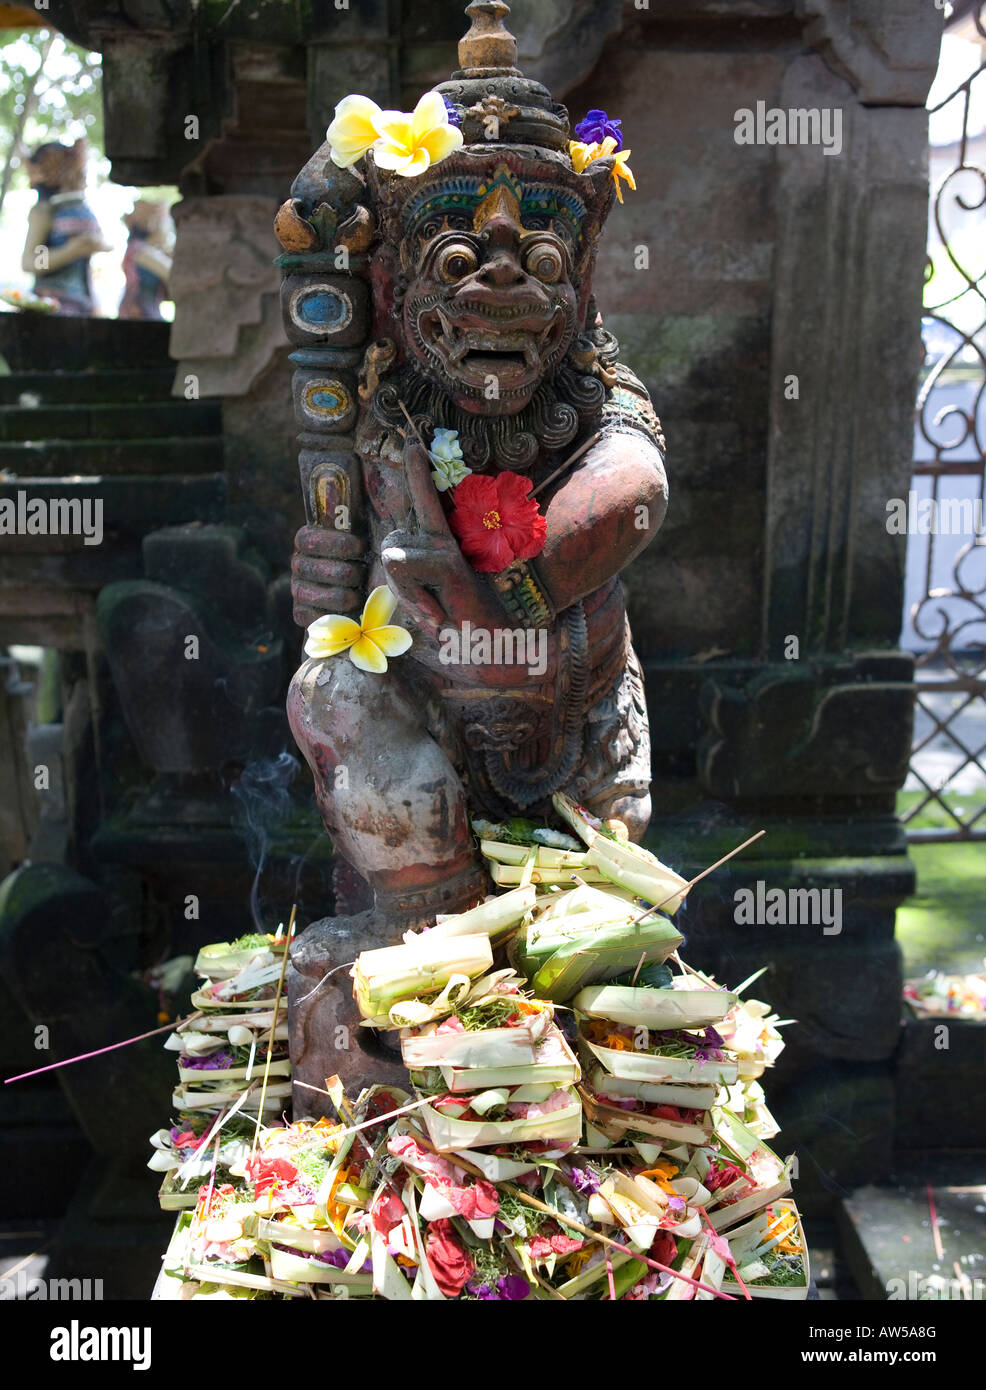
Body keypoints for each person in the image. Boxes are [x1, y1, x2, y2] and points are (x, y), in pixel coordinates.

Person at [20, 138, 109, 317]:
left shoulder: (83, 209)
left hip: (83, 305)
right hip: (50, 307)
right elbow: (32, 261)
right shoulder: (45, 213)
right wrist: (72, 250)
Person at [119, 199, 173, 320]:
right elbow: (173, 274)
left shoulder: (143, 250)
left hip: (148, 312)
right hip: (140, 314)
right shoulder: (139, 250)